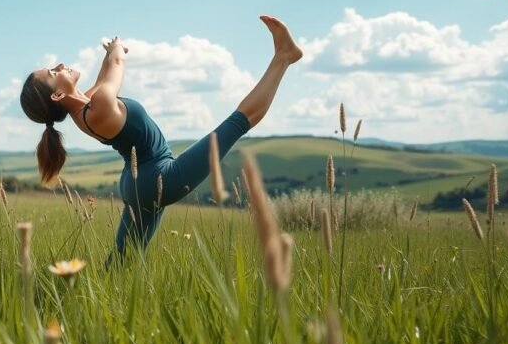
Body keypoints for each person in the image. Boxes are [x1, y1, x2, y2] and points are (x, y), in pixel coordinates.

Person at [19, 15, 303, 263]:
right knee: (241, 119)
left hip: (141, 183)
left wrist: (108, 54)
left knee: (120, 265)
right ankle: (284, 57)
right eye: (53, 73)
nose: (59, 65)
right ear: (57, 96)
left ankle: (91, 310)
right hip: (162, 178)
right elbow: (117, 66)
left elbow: (104, 74)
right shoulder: (99, 104)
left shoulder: (85, 108)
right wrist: (117, 52)